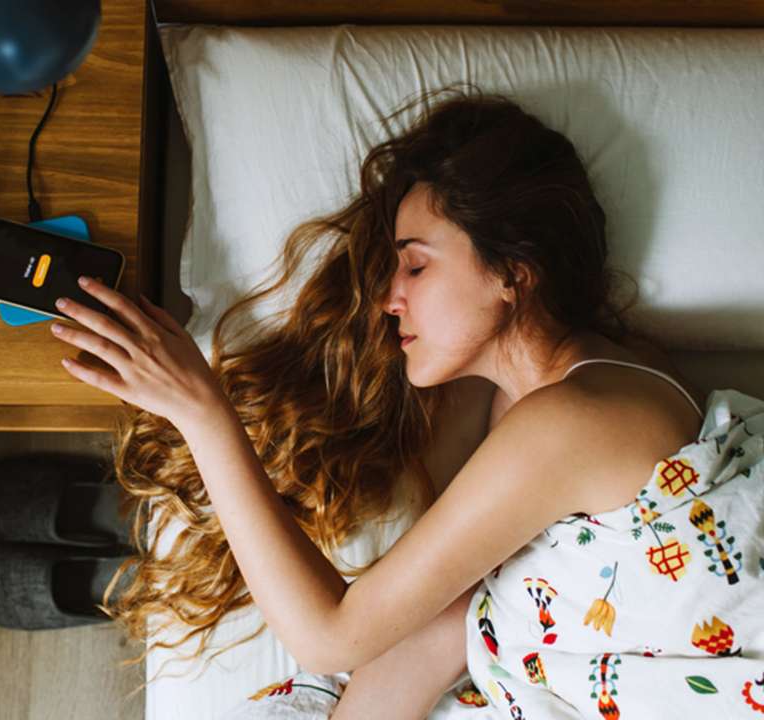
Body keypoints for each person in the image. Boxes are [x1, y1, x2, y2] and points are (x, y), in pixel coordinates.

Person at [47, 84, 764, 718]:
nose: (391, 298)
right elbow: (447, 604)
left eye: (416, 265)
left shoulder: (568, 420)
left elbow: (330, 637)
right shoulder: (539, 401)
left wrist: (203, 410)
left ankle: (115, 540)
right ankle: (124, 532)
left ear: (514, 272)